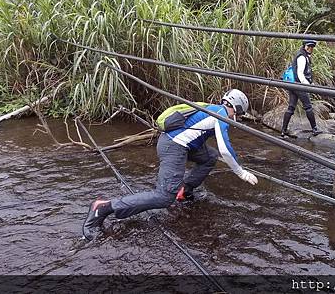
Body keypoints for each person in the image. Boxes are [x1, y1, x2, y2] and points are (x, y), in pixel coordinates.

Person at [82, 89, 258, 241]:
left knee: (209, 157)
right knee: (164, 197)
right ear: (237, 109)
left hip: (183, 144)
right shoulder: (220, 114)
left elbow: (215, 150)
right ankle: (104, 207)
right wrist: (240, 172)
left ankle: (184, 191)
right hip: (174, 146)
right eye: (240, 114)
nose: (238, 118)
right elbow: (225, 150)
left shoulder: (210, 107)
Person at [281, 39, 322, 138]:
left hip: (293, 85)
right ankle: (314, 129)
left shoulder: (302, 55)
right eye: (308, 46)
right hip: (299, 85)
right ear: (304, 46)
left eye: (312, 47)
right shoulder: (302, 57)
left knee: (291, 107)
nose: (310, 48)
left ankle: (283, 131)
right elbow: (300, 73)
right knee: (308, 107)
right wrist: (307, 85)